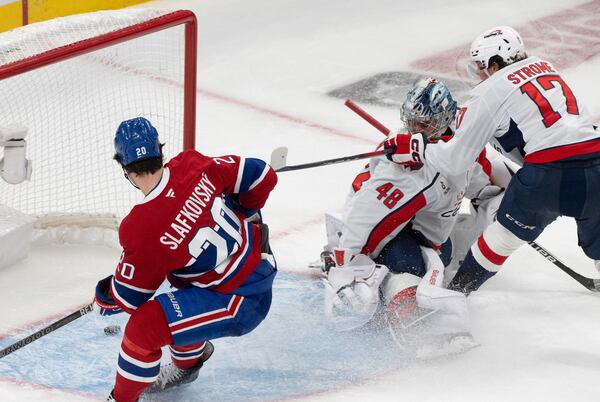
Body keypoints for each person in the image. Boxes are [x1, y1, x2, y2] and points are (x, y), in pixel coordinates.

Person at [385, 26, 600, 294]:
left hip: (548, 173)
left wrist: (417, 147)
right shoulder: (545, 67)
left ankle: (457, 294)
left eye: (480, 66)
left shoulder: (490, 89)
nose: (478, 73)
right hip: (596, 163)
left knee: (501, 239)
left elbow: (455, 161)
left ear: (495, 63)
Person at [92, 117, 278, 402]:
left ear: (123, 167)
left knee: (145, 328)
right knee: (176, 286)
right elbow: (264, 175)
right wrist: (242, 209)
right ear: (160, 151)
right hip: (258, 259)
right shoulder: (192, 164)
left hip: (241, 299)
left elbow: (130, 300)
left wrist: (106, 296)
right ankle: (189, 365)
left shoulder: (140, 227)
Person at [321, 78, 512, 342]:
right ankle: (405, 307)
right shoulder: (406, 168)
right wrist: (347, 259)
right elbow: (366, 214)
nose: (414, 129)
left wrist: (517, 203)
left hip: (434, 232)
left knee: (488, 220)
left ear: (445, 118)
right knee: (408, 264)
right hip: (396, 232)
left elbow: (483, 181)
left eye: (424, 123)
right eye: (411, 121)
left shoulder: (458, 145)